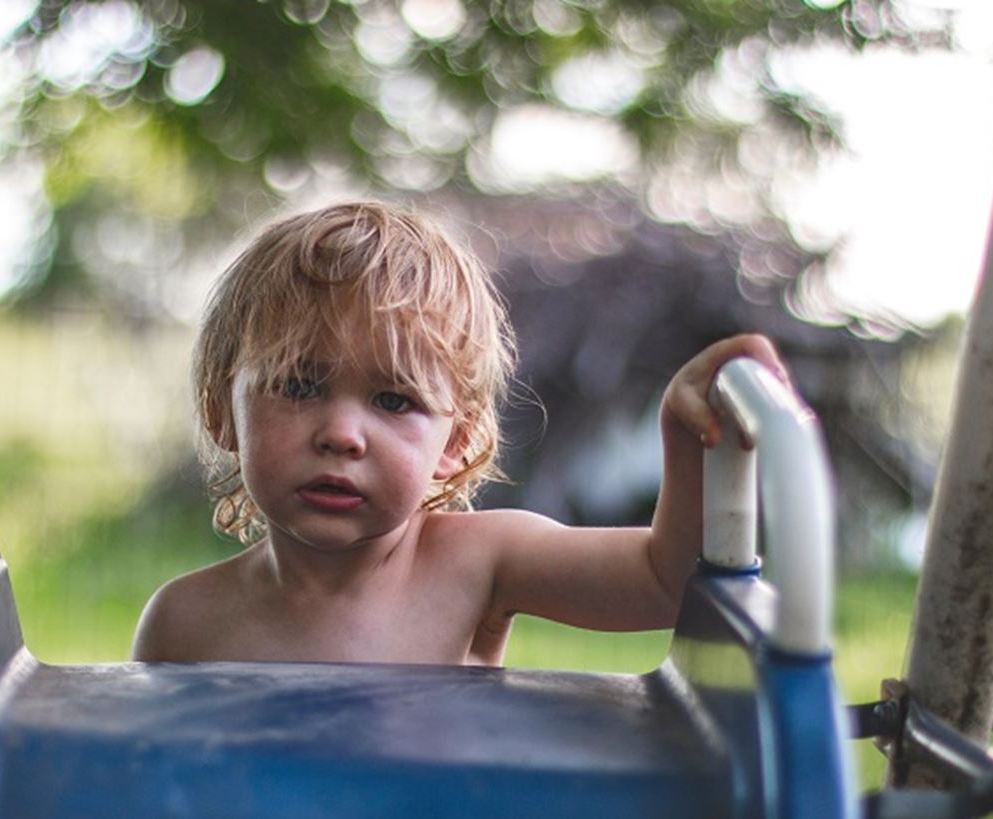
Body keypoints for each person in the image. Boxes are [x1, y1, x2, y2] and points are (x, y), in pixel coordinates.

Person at [132, 200, 787, 665]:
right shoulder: (184, 622)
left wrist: (689, 440)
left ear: (455, 444)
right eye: (299, 386)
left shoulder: (481, 564)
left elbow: (666, 583)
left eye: (394, 399)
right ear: (221, 412)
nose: (341, 433)